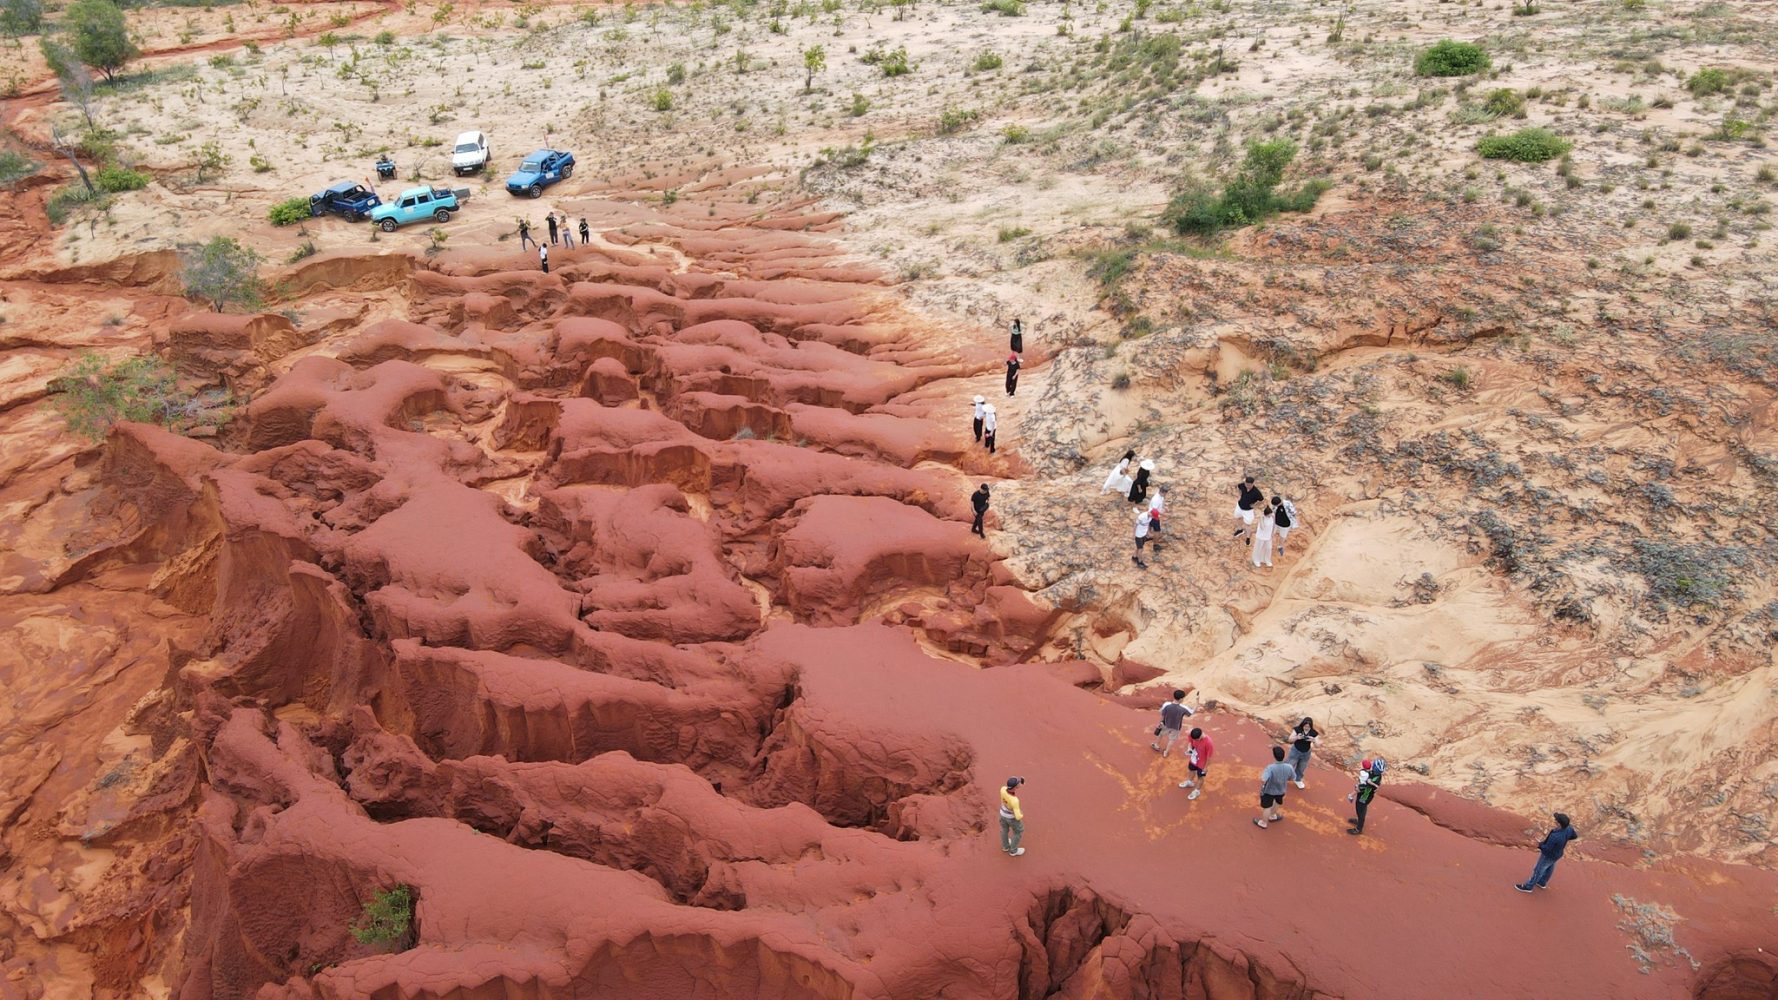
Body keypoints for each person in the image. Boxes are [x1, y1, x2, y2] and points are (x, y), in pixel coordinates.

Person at [1515, 813, 1578, 892]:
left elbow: (1546, 849)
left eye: (1556, 820)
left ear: (1559, 824)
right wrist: (1564, 839)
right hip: (1558, 854)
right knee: (1550, 866)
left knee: (1538, 870)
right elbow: (1575, 836)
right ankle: (1542, 882)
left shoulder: (1555, 837)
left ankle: (1528, 886)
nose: (1555, 820)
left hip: (1548, 855)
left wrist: (1538, 845)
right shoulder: (1569, 829)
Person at [1254, 745, 1295, 829]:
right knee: (1277, 802)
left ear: (1274, 756)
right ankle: (1272, 816)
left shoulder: (1270, 768)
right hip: (1281, 790)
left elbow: (1263, 779)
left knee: (1267, 807)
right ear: (1284, 755)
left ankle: (1263, 823)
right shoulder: (1289, 767)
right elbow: (1292, 778)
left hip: (1269, 790)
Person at [1347, 757, 1386, 836]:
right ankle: (1359, 821)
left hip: (1365, 796)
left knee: (1361, 809)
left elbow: (1365, 787)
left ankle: (1359, 829)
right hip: (1364, 794)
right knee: (1360, 807)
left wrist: (1357, 788)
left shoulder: (1375, 779)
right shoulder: (1375, 774)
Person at [1151, 689, 1194, 755]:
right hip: (1176, 727)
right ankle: (1166, 752)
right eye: (1183, 698)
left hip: (1165, 724)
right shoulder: (1183, 708)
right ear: (1180, 699)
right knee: (1172, 740)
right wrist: (1197, 702)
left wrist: (1159, 723)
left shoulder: (1166, 705)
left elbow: (1162, 715)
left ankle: (1156, 745)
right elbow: (1191, 713)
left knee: (1160, 734)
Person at [1178, 727, 1214, 799]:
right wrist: (1189, 748)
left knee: (1200, 777)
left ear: (1201, 735)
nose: (1195, 741)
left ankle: (1197, 791)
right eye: (1194, 739)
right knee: (1191, 770)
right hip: (1194, 759)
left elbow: (1209, 757)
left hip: (1202, 763)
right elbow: (1190, 743)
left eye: (1196, 740)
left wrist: (1205, 767)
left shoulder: (1208, 743)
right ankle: (1190, 782)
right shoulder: (1192, 735)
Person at [1285, 717, 1319, 788]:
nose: (1306, 728)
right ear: (1303, 724)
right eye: (1305, 726)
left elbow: (1317, 746)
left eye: (1308, 727)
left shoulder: (1314, 733)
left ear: (1311, 726)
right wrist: (1297, 737)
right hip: (1295, 751)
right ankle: (1283, 778)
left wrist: (1314, 740)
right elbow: (1290, 740)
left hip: (1306, 753)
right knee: (1289, 765)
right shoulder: (1297, 729)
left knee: (1301, 768)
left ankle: (1298, 780)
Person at [999, 776, 1027, 856]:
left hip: (1002, 814)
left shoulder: (1002, 789)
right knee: (1018, 831)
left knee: (1004, 829)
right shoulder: (1015, 800)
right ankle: (1013, 851)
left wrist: (1020, 782)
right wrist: (1022, 814)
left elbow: (1011, 787)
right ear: (1015, 787)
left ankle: (1005, 846)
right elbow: (1018, 817)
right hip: (1011, 818)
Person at [1234, 476, 1264, 543]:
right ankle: (1240, 530)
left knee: (1248, 524)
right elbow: (1238, 487)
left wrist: (1255, 505)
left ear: (1253, 483)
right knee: (1238, 518)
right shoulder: (1242, 485)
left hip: (1248, 510)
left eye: (1249, 485)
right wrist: (1240, 494)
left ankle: (1248, 538)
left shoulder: (1256, 492)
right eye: (1246, 484)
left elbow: (1261, 500)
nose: (1247, 486)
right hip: (1239, 506)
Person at [1251, 504, 1277, 569]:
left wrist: (1272, 533)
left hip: (1268, 536)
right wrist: (1261, 518)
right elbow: (1262, 527)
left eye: (1271, 513)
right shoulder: (1262, 519)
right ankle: (1256, 560)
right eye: (1269, 514)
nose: (1271, 515)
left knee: (1269, 548)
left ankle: (1267, 560)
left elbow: (1274, 524)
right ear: (1266, 514)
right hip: (1261, 536)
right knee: (1258, 548)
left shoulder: (1272, 516)